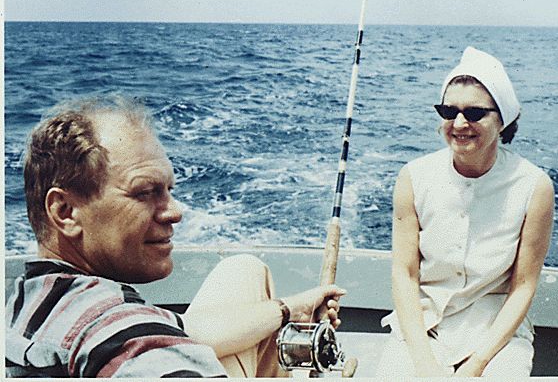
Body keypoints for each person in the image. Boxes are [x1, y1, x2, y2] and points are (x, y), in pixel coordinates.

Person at [5, 95, 347, 378]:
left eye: (168, 189)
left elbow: (183, 327)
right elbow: (137, 338)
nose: (175, 211)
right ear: (65, 212)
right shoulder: (121, 329)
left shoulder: (28, 301)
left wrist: (290, 309)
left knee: (244, 271)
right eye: (145, 192)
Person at [377, 47, 555, 378]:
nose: (459, 123)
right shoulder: (413, 177)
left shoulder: (535, 186)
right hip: (422, 326)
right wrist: (424, 362)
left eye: (474, 113)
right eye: (449, 110)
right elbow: (405, 275)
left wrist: (476, 366)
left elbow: (523, 286)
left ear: (503, 119)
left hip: (496, 334)